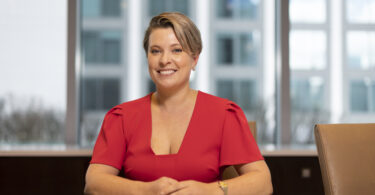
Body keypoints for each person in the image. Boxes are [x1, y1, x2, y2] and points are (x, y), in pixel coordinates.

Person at [84, 12, 272, 195]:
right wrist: (145, 190)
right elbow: (94, 183)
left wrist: (208, 191)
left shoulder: (224, 114)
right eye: (155, 51)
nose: (165, 60)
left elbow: (263, 183)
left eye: (177, 50)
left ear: (194, 59)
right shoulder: (121, 117)